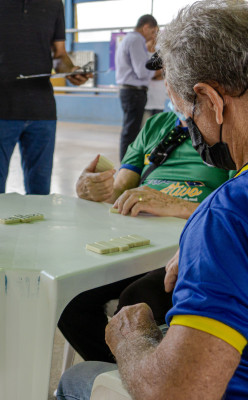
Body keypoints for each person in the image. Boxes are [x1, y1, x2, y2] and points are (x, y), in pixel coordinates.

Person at [57, 1, 248, 399]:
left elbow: (178, 391)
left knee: (76, 381)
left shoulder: (227, 215)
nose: (192, 132)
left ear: (211, 100)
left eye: (189, 116)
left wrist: (132, 339)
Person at [58, 105, 232, 362]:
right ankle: (112, 376)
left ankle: (138, 379)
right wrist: (93, 187)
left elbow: (236, 208)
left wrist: (175, 205)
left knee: (138, 300)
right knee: (69, 296)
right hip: (139, 240)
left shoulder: (227, 129)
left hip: (190, 245)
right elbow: (119, 189)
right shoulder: (156, 125)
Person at [0, 0, 90, 196]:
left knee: (40, 195)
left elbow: (59, 55)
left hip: (42, 111)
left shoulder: (55, 4)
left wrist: (70, 70)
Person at [115, 14, 160, 160]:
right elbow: (142, 71)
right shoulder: (136, 40)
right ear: (146, 27)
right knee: (132, 133)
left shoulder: (128, 39)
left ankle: (127, 164)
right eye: (153, 32)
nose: (152, 37)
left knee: (131, 130)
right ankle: (127, 166)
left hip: (129, 91)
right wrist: (158, 72)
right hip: (134, 92)